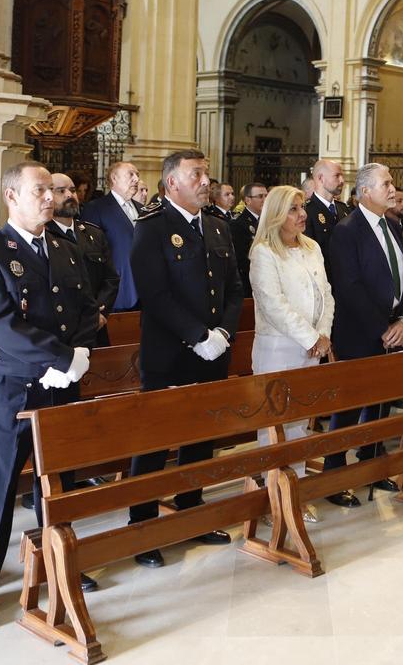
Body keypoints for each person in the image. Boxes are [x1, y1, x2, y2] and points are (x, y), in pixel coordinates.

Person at [0, 161, 98, 628]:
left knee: (59, 480)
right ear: (12, 196)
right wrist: (59, 358)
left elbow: (88, 310)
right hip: (13, 387)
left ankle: (58, 562)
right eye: (39, 191)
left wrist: (78, 354)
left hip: (62, 383)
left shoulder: (64, 247)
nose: (50, 198)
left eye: (51, 191)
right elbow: (1, 326)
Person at [125, 149, 245, 568]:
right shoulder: (152, 227)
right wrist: (196, 336)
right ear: (172, 182)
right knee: (155, 442)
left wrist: (223, 333)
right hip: (170, 353)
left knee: (201, 436)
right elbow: (154, 295)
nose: (205, 181)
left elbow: (233, 287)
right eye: (196, 174)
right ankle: (143, 528)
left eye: (207, 174)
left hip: (213, 351)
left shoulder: (216, 225)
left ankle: (191, 512)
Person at [322, 163, 403, 507]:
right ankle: (334, 476)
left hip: (392, 327)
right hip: (359, 330)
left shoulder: (393, 226)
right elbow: (349, 286)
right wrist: (382, 328)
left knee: (380, 401)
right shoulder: (348, 231)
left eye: (391, 182)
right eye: (386, 183)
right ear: (365, 192)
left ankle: (371, 464)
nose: (393, 189)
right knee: (348, 407)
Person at [249, 185, 333, 523]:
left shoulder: (311, 246)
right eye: (294, 209)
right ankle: (272, 501)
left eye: (302, 208)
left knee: (300, 424)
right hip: (278, 348)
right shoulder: (264, 252)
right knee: (274, 426)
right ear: (276, 214)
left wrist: (323, 335)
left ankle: (293, 494)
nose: (302, 215)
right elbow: (273, 304)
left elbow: (325, 292)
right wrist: (310, 336)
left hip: (313, 346)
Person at [48, 173, 120, 347]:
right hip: (60, 331)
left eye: (72, 190)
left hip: (96, 326)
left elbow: (110, 278)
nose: (69, 195)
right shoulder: (43, 236)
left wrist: (99, 313)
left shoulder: (93, 234)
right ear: (47, 196)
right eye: (61, 191)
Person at [80, 161, 143, 311]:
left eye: (137, 175)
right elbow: (90, 255)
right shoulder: (96, 208)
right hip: (117, 293)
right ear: (114, 178)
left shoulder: (142, 209)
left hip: (146, 291)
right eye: (131, 174)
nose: (136, 179)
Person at [305, 159, 349, 271]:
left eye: (342, 176)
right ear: (321, 178)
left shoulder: (343, 209)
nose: (342, 180)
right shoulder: (307, 211)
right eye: (337, 176)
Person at [231, 183, 267, 297]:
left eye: (266, 196)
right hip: (250, 282)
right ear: (248, 200)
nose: (265, 199)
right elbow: (241, 259)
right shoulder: (238, 224)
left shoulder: (269, 221)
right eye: (260, 196)